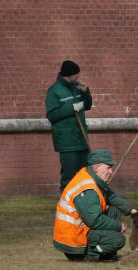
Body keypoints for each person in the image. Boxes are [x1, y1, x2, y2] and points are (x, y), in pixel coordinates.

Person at [53, 149, 138, 262]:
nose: (111, 171)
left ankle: (108, 254)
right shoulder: (87, 189)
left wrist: (133, 212)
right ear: (96, 168)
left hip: (81, 231)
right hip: (74, 243)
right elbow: (94, 221)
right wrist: (119, 226)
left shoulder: (92, 176)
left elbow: (111, 197)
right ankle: (90, 254)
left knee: (114, 211)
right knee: (118, 240)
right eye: (108, 167)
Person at [45, 60, 93, 193]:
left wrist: (85, 92)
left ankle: (85, 205)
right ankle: (66, 208)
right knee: (69, 178)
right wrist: (72, 108)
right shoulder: (54, 91)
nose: (79, 78)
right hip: (67, 142)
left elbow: (87, 105)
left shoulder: (76, 87)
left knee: (87, 176)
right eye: (76, 75)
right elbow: (52, 116)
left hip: (82, 139)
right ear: (69, 75)